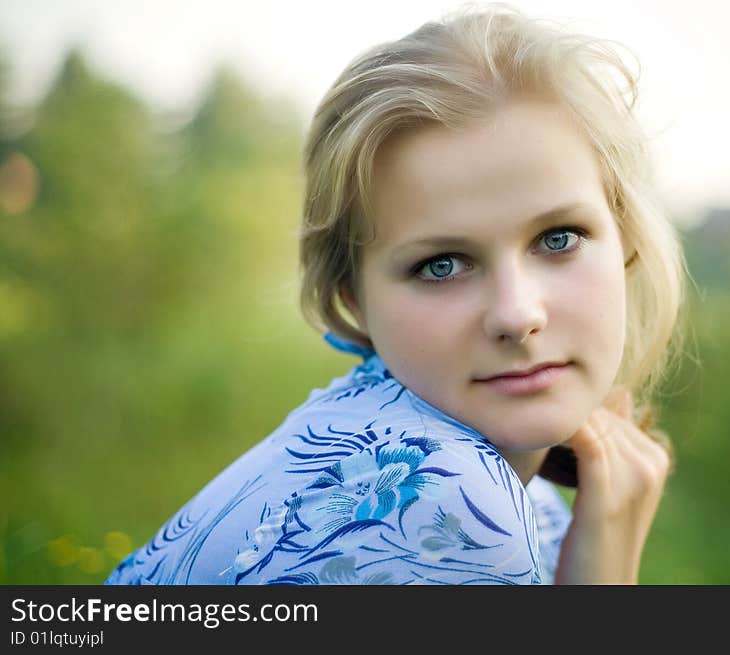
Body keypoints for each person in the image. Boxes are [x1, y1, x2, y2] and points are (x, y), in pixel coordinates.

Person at [105, 2, 686, 585]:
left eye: (558, 238)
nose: (516, 314)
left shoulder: (511, 482)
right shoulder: (443, 497)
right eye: (441, 266)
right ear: (352, 298)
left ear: (625, 239)